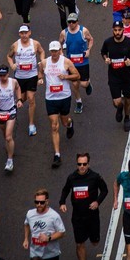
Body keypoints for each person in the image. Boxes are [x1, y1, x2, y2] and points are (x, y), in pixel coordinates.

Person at [59, 151, 109, 260]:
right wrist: (62, 202)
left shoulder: (95, 177)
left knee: (95, 242)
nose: (82, 166)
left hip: (92, 216)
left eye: (84, 164)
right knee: (79, 243)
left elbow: (104, 190)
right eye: (79, 164)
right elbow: (65, 190)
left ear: (88, 164)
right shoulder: (72, 177)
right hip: (78, 216)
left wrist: (97, 202)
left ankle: (92, 237)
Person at [41, 39, 80, 168]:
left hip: (64, 97)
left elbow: (77, 75)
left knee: (64, 122)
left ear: (60, 50)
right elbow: (40, 72)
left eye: (56, 51)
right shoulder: (44, 62)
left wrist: (66, 77)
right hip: (50, 98)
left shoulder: (66, 62)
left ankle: (70, 124)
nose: (54, 53)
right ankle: (57, 155)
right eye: (52, 51)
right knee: (54, 126)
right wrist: (40, 79)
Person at [100, 17, 130, 132]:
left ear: (123, 30)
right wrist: (106, 58)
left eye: (119, 30)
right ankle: (119, 108)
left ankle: (127, 117)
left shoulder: (129, 43)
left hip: (127, 76)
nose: (117, 32)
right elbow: (103, 52)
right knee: (117, 101)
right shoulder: (108, 42)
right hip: (114, 76)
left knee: (128, 99)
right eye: (115, 30)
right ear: (112, 30)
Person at [24, 187, 65, 260]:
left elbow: (62, 232)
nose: (39, 204)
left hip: (51, 252)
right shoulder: (30, 214)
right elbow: (26, 224)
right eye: (36, 202)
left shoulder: (54, 216)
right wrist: (26, 239)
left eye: (42, 202)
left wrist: (48, 238)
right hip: (35, 252)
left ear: (47, 201)